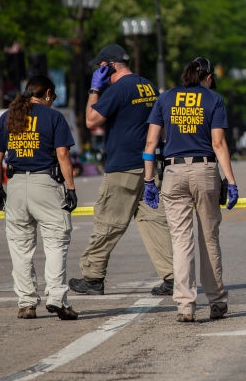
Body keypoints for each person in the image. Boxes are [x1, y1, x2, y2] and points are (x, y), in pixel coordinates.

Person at [68, 44, 174, 297]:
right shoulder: (146, 85)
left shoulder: (118, 89)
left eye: (99, 67)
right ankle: (173, 276)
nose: (97, 70)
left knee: (108, 222)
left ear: (109, 67)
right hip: (148, 166)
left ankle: (92, 277)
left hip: (123, 167)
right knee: (154, 223)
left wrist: (94, 89)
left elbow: (91, 121)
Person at [142, 57, 238, 323]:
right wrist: (230, 181)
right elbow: (218, 144)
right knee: (209, 238)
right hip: (204, 171)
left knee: (181, 241)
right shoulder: (213, 100)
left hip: (172, 173)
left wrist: (149, 181)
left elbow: (150, 143)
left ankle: (185, 305)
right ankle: (217, 301)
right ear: (207, 76)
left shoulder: (165, 99)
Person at [0, 76, 80, 320]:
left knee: (20, 248)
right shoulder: (54, 117)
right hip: (46, 185)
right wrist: (70, 188)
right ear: (48, 93)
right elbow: (62, 154)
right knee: (56, 242)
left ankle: (27, 303)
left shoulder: (8, 116)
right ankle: (56, 298)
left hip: (16, 185)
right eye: (53, 97)